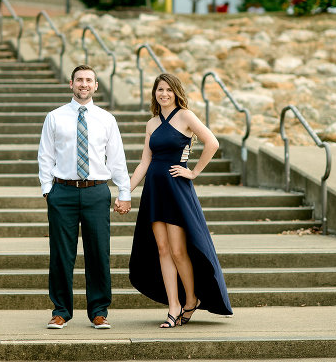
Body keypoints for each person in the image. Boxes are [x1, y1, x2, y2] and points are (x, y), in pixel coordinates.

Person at [128, 73, 232, 328]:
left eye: (168, 90)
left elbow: (212, 142)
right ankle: (174, 306)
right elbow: (145, 161)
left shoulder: (185, 116)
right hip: (154, 190)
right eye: (159, 89)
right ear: (155, 93)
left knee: (177, 250)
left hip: (176, 190)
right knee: (162, 249)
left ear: (176, 92)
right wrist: (124, 192)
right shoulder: (151, 123)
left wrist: (193, 172)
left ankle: (191, 298)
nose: (163, 94)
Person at [38, 64, 132, 330]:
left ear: (96, 86)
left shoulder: (106, 119)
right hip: (63, 191)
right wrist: (48, 190)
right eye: (79, 80)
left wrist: (123, 192)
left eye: (89, 80)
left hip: (96, 192)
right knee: (60, 254)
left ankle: (99, 311)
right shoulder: (55, 117)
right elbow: (45, 155)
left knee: (98, 253)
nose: (84, 84)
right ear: (71, 84)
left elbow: (117, 159)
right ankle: (60, 311)